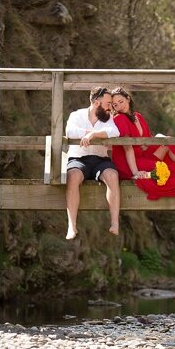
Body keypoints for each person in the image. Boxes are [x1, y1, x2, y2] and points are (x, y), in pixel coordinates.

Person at [107, 87, 175, 200]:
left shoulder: (138, 116)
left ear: (128, 98)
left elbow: (148, 140)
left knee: (168, 142)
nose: (119, 106)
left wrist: (159, 139)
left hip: (141, 155)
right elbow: (128, 149)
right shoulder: (119, 118)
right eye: (115, 105)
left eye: (121, 101)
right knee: (164, 169)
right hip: (128, 164)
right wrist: (136, 173)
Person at [64, 86, 123, 239]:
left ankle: (115, 223)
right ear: (97, 103)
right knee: (72, 176)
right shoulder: (76, 115)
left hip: (100, 160)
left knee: (112, 175)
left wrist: (94, 134)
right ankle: (72, 226)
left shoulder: (107, 118)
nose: (111, 107)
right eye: (108, 103)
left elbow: (114, 132)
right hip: (78, 158)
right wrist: (88, 134)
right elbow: (70, 131)